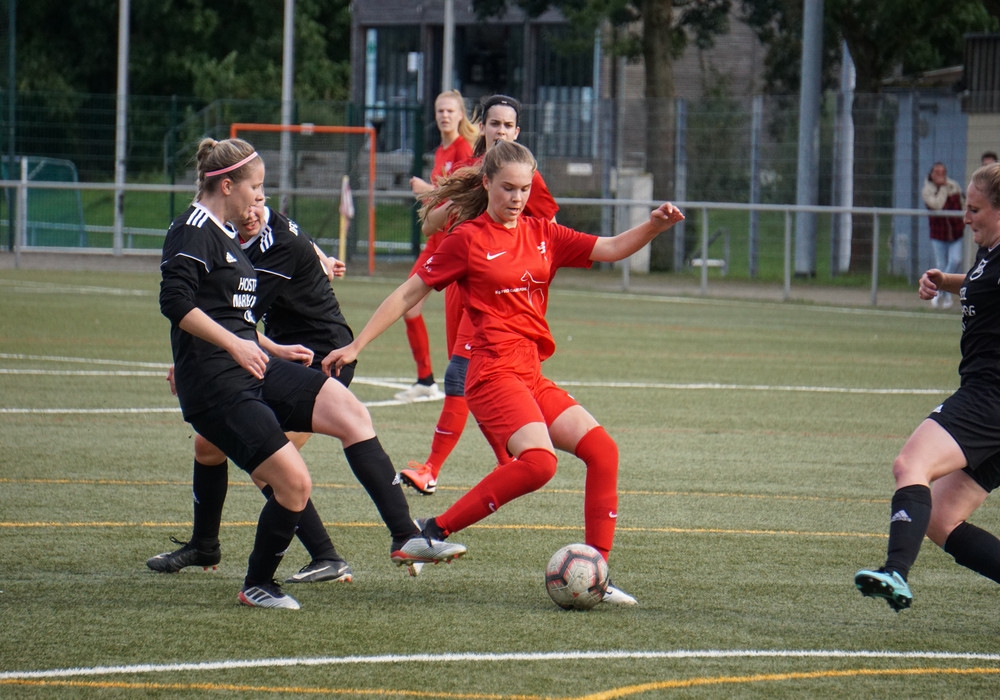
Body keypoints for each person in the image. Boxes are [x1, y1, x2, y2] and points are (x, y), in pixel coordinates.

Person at [323, 140, 685, 605]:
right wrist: (356, 345)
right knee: (540, 463)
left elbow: (612, 248)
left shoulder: (543, 233)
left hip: (530, 372)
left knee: (603, 451)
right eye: (507, 188)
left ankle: (596, 571)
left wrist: (654, 225)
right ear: (487, 183)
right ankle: (430, 532)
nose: (516, 197)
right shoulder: (467, 239)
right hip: (491, 372)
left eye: (524, 189)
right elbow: (410, 293)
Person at [159, 137, 466, 609]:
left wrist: (269, 346)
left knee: (349, 411)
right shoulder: (193, 229)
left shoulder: (227, 233)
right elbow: (175, 302)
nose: (259, 198)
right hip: (216, 383)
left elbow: (231, 315)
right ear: (227, 185)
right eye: (255, 188)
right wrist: (231, 346)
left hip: (250, 367)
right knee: (293, 482)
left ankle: (405, 535)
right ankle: (259, 582)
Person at [148, 202, 357, 585]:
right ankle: (204, 544)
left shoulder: (263, 237)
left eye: (259, 195)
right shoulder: (249, 226)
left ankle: (326, 556)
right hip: (283, 354)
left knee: (271, 462)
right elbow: (302, 242)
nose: (253, 208)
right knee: (208, 446)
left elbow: (233, 316)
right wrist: (324, 258)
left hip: (316, 358)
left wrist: (197, 356)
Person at [855, 162, 1000, 612]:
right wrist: (945, 282)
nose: (965, 218)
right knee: (941, 518)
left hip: (989, 398)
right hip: (989, 400)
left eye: (974, 209)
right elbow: (982, 285)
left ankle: (895, 571)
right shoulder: (990, 253)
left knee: (910, 464)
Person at [399, 93, 559, 496]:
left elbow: (551, 231)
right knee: (469, 378)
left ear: (517, 131)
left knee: (458, 374)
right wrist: (450, 199)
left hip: (499, 295)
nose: (500, 131)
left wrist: (524, 270)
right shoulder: (472, 172)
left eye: (508, 125)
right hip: (463, 285)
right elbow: (431, 224)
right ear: (482, 127)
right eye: (494, 124)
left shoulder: (525, 174)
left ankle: (431, 468)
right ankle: (509, 463)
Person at [396, 90, 478, 403]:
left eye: (450, 111)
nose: (444, 115)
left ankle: (465, 381)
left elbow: (461, 197)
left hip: (454, 244)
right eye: (440, 110)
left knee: (458, 321)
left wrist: (426, 190)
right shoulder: (442, 151)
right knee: (409, 306)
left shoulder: (463, 149)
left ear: (460, 115)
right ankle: (425, 380)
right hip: (435, 243)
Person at [921, 162, 965, 309]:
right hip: (938, 234)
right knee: (941, 264)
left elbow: (962, 203)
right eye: (937, 172)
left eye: (943, 172)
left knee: (955, 260)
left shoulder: (954, 185)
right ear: (931, 174)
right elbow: (937, 205)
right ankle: (944, 295)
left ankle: (939, 290)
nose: (941, 175)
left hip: (955, 233)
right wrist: (943, 189)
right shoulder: (927, 190)